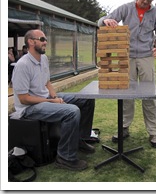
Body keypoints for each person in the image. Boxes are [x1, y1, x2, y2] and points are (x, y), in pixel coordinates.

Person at [10, 29, 95, 171]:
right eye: (42, 39)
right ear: (31, 42)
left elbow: (47, 82)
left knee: (86, 98)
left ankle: (79, 140)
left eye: (45, 39)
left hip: (46, 98)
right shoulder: (22, 66)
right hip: (29, 108)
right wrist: (51, 102)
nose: (46, 42)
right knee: (72, 111)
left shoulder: (43, 58)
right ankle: (65, 158)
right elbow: (24, 99)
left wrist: (55, 97)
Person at [98, 0, 156, 148]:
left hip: (146, 58)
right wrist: (106, 21)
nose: (146, 2)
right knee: (126, 94)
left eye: (150, 1)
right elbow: (102, 21)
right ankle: (123, 127)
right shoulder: (126, 8)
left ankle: (153, 132)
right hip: (125, 57)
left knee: (149, 95)